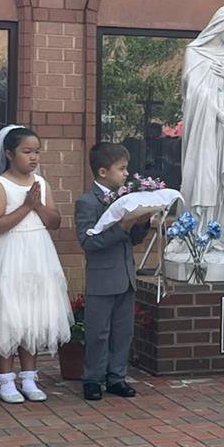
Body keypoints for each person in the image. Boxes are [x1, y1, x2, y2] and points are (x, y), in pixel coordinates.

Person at [0, 126, 72, 404]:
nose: (33, 158)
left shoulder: (41, 183)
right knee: (9, 313)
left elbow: (54, 222)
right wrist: (26, 206)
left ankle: (29, 377)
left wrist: (37, 204)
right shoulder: (0, 185)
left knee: (33, 312)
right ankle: (6, 380)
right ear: (9, 154)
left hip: (38, 252)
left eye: (37, 152)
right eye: (27, 152)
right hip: (11, 252)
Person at [74, 142, 154, 401]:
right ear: (102, 172)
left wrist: (142, 223)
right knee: (98, 332)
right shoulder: (87, 202)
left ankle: (117, 377)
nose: (126, 174)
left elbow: (132, 240)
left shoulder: (124, 198)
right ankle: (93, 379)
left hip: (126, 275)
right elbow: (89, 242)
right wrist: (122, 226)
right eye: (121, 169)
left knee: (123, 332)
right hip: (102, 277)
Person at [181, 6, 224, 247]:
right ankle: (195, 232)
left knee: (223, 177)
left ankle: (218, 235)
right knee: (204, 173)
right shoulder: (195, 52)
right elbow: (195, 91)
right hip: (205, 127)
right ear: (220, 26)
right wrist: (218, 113)